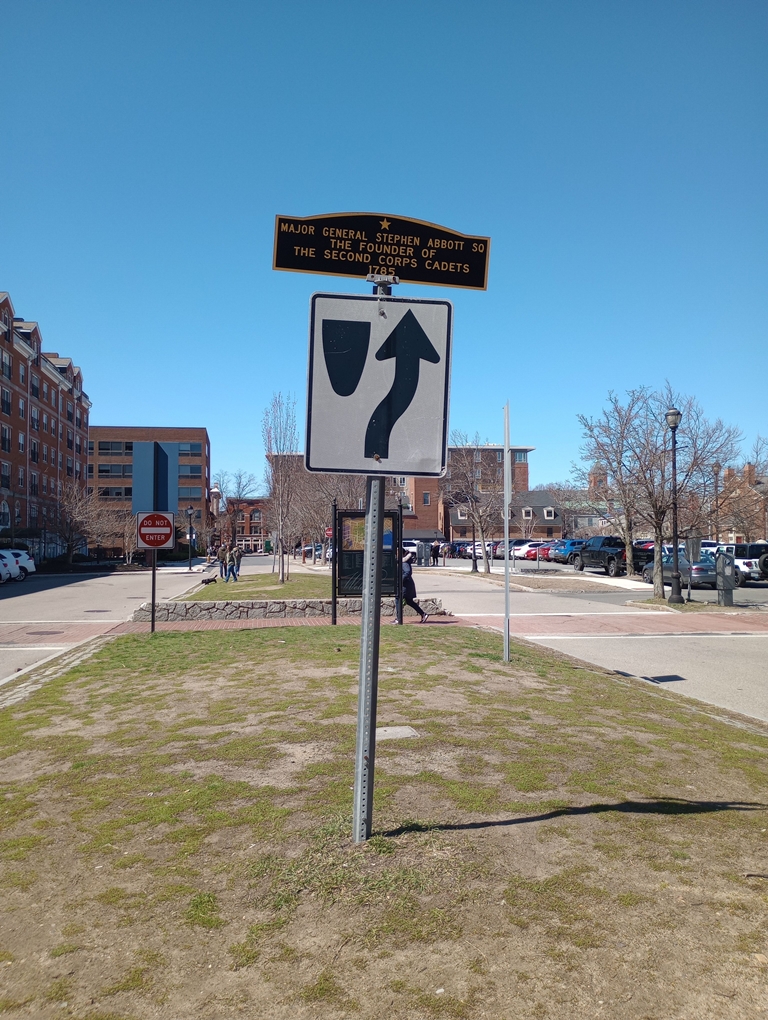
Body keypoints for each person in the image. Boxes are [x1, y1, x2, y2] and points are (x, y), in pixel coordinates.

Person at [400, 548, 428, 623]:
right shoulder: (403, 561)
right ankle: (423, 614)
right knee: (409, 601)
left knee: (398, 599)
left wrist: (401, 580)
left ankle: (398, 618)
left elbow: (407, 572)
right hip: (407, 584)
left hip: (406, 585)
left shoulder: (404, 562)